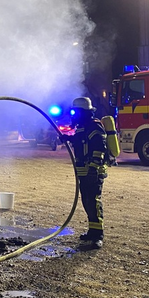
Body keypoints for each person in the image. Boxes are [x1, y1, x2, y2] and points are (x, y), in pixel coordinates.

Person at [60, 96, 108, 249]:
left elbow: (99, 149)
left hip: (93, 171)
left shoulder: (95, 126)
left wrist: (93, 168)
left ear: (83, 112)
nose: (74, 115)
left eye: (76, 112)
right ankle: (92, 231)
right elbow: (79, 140)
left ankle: (98, 235)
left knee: (93, 201)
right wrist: (67, 138)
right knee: (87, 201)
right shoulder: (83, 127)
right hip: (83, 170)